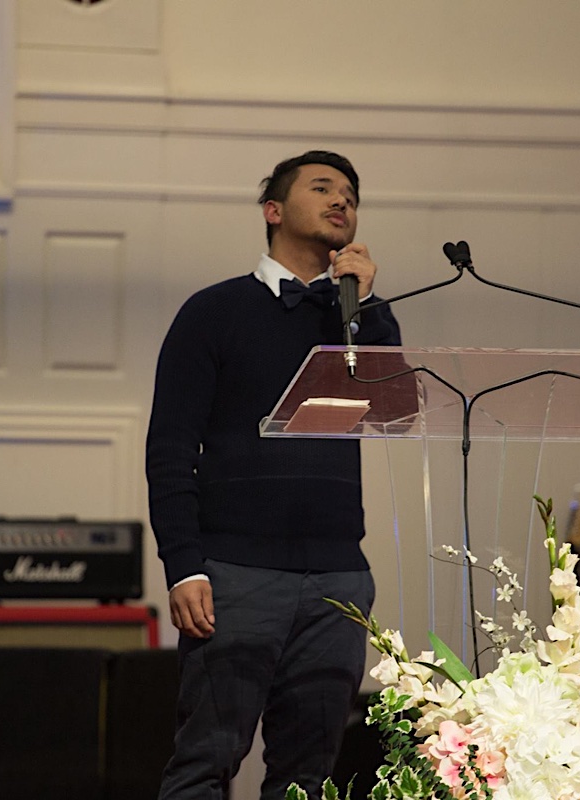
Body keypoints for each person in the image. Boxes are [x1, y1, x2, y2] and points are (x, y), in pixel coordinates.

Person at [145, 150, 402, 800]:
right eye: (323, 188)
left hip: (338, 576)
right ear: (274, 210)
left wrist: (369, 304)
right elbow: (170, 448)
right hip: (236, 573)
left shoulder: (357, 317)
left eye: (351, 195)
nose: (341, 201)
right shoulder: (214, 311)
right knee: (205, 763)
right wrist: (184, 566)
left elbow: (399, 411)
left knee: (307, 779)